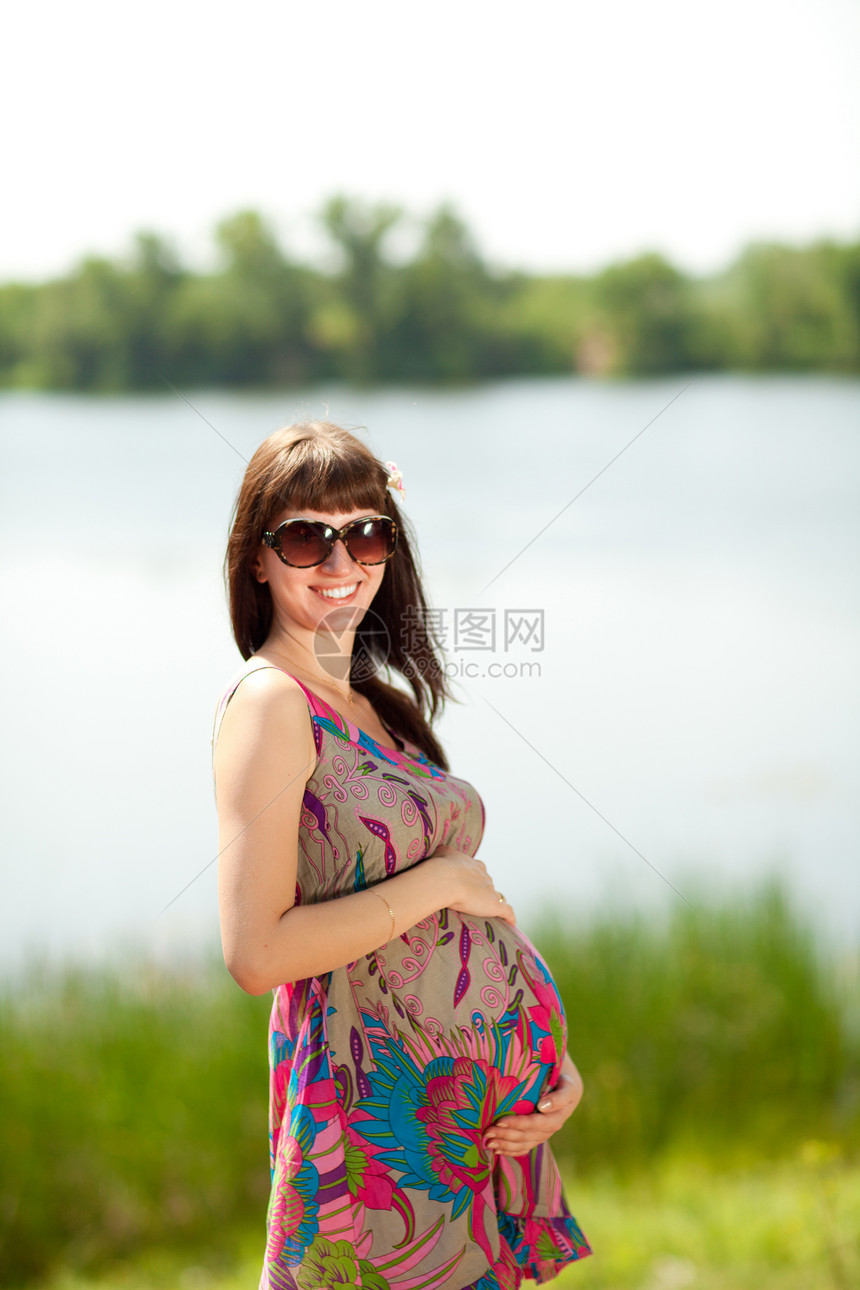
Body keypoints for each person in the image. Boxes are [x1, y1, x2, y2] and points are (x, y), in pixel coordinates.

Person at [212, 422, 592, 1290]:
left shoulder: (368, 700)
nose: (342, 558)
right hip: (376, 1132)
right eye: (307, 536)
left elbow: (462, 914)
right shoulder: (272, 705)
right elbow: (255, 954)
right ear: (258, 560)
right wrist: (438, 882)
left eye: (367, 531)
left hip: (471, 1117)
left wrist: (546, 1055)